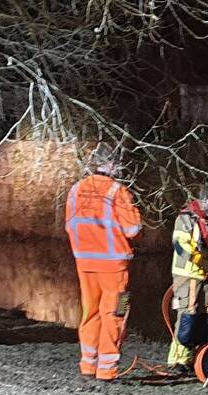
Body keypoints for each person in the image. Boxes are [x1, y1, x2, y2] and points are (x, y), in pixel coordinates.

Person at [64, 143, 142, 381]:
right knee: (116, 312)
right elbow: (132, 229)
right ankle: (107, 368)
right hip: (114, 266)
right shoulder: (118, 191)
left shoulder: (76, 189)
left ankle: (88, 364)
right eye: (118, 164)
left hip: (84, 262)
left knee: (90, 312)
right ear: (110, 164)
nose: (120, 168)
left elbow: (69, 225)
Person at [167, 187, 208, 374]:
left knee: (205, 314)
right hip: (188, 274)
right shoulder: (185, 219)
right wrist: (199, 260)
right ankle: (177, 360)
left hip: (206, 275)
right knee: (187, 314)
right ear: (207, 200)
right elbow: (179, 245)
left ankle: (195, 358)